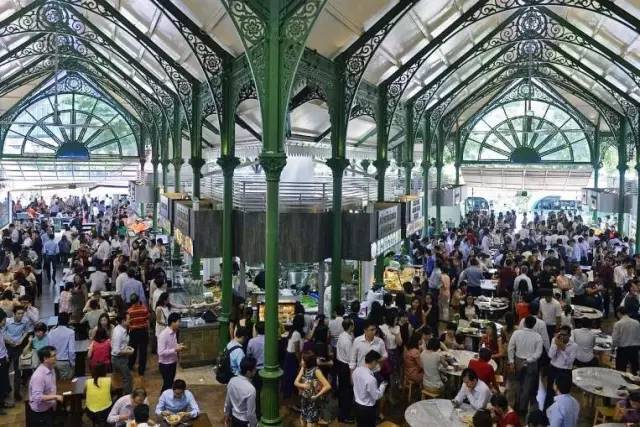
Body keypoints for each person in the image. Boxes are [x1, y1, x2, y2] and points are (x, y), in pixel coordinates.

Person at [508, 315, 543, 415]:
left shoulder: (516, 333)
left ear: (524, 323)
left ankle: (515, 405)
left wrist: (511, 361)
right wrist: (529, 360)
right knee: (527, 386)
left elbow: (510, 347)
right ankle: (522, 409)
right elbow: (538, 353)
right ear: (534, 325)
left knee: (517, 384)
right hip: (531, 363)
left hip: (518, 361)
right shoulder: (538, 337)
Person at [294, 350, 332, 427]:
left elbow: (327, 386)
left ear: (307, 361)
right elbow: (295, 382)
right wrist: (303, 385)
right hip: (304, 400)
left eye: (302, 360)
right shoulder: (303, 368)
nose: (301, 361)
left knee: (310, 423)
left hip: (313, 403)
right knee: (302, 422)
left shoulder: (316, 371)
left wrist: (317, 396)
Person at [28, 346, 64, 426]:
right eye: (53, 356)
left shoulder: (52, 369)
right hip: (40, 414)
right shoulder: (39, 375)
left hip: (49, 408)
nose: (56, 358)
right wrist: (55, 397)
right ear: (45, 359)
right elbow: (37, 397)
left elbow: (52, 387)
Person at [545, 327, 577, 410]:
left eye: (564, 335)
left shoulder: (574, 346)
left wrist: (563, 349)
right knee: (550, 392)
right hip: (553, 368)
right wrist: (556, 345)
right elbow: (550, 356)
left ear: (569, 335)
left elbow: (569, 362)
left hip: (565, 371)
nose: (562, 336)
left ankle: (561, 411)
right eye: (560, 334)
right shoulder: (554, 340)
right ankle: (546, 413)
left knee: (563, 395)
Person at [352, 350, 387, 427]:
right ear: (374, 362)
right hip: (367, 408)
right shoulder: (370, 379)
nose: (377, 365)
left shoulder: (356, 370)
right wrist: (383, 385)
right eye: (377, 362)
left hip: (356, 404)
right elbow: (376, 396)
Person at [224, 356, 258, 427]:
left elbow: (228, 402)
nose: (256, 370)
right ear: (248, 372)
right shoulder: (251, 389)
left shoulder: (232, 381)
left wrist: (226, 414)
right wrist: (254, 425)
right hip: (244, 422)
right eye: (254, 369)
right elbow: (251, 414)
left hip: (234, 418)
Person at [5, 304, 29, 400]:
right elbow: (3, 333)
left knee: (18, 371)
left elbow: (26, 331)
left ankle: (17, 393)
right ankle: (7, 389)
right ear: (14, 314)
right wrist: (10, 341)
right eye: (18, 313)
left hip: (18, 348)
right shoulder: (7, 321)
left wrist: (21, 340)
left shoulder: (25, 321)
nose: (21, 315)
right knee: (5, 370)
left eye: (22, 313)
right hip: (8, 347)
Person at [158, 312, 185, 392]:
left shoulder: (174, 332)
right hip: (165, 364)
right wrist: (175, 350)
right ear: (173, 322)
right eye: (178, 321)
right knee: (167, 385)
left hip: (172, 362)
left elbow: (172, 345)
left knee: (169, 383)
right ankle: (163, 397)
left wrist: (178, 345)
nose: (179, 324)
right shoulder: (163, 335)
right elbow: (161, 352)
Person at [335, 318, 354, 423]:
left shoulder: (342, 335)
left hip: (340, 365)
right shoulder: (347, 340)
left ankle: (342, 413)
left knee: (343, 391)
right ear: (350, 326)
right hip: (346, 367)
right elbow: (351, 358)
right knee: (347, 393)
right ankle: (344, 416)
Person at [46, 312, 75, 380]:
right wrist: (73, 363)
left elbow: (49, 347)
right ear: (68, 320)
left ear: (58, 320)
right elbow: (71, 351)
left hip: (53, 362)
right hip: (64, 362)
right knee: (66, 384)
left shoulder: (51, 332)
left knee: (54, 383)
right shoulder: (70, 332)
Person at [127, 293, 149, 376]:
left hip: (133, 332)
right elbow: (147, 320)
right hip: (143, 332)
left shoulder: (129, 311)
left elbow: (128, 323)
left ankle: (130, 365)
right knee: (143, 351)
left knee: (133, 350)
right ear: (138, 300)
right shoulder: (144, 309)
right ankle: (141, 370)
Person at [612, 306, 640, 374]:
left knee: (621, 371)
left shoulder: (618, 324)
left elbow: (615, 339)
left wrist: (613, 347)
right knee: (635, 370)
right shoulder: (636, 322)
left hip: (623, 350)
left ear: (618, 313)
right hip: (635, 349)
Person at [111, 313, 133, 395]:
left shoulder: (123, 329)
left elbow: (122, 344)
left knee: (122, 379)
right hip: (119, 359)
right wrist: (128, 352)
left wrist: (127, 348)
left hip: (122, 358)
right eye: (128, 319)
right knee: (127, 379)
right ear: (123, 321)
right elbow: (116, 350)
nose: (130, 320)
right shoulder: (118, 333)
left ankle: (121, 395)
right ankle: (127, 397)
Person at [246, 321, 264, 417]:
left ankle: (258, 413)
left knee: (256, 392)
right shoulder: (271, 340)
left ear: (256, 330)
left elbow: (248, 355)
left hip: (256, 370)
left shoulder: (252, 341)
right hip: (267, 370)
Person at [0, 310, 10, 414]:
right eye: (3, 320)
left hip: (3, 358)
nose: (5, 322)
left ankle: (2, 403)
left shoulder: (1, 330)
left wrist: (6, 355)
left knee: (3, 383)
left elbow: (2, 345)